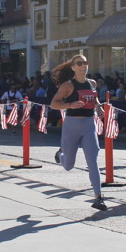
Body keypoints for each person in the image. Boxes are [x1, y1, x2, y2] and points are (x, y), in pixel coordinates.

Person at [49, 54, 107, 211]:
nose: (83, 66)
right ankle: (61, 154)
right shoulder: (68, 85)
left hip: (89, 125)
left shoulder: (92, 83)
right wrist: (70, 105)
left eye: (85, 62)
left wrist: (98, 107)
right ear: (73, 67)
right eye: (79, 63)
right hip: (72, 125)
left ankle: (98, 197)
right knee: (69, 165)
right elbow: (53, 104)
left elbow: (94, 98)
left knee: (93, 160)